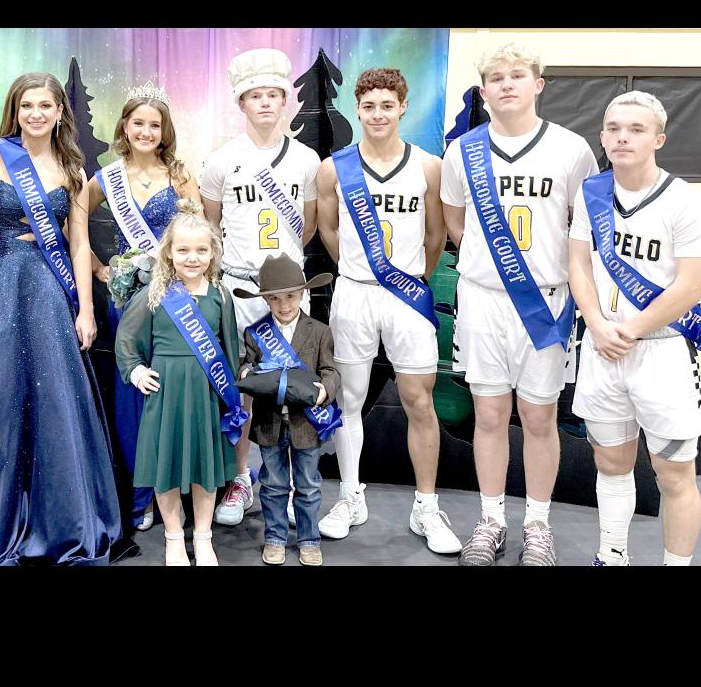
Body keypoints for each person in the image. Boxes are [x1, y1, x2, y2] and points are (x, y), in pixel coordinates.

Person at [0, 71, 121, 565]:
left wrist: (86, 309)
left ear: (60, 111)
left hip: (49, 290)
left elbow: (80, 241)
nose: (36, 114)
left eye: (46, 105)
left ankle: (59, 521)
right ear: (15, 110)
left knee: (55, 403)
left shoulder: (71, 165)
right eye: (28, 106)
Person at [440, 43, 597, 565]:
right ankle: (491, 520)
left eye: (517, 75)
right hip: (484, 299)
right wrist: (491, 267)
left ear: (538, 85)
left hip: (547, 302)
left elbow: (586, 226)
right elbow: (456, 225)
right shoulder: (462, 151)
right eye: (495, 78)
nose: (506, 84)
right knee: (487, 414)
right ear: (483, 92)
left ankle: (537, 524)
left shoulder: (572, 149)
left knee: (538, 416)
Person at [569, 91, 701, 566]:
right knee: (610, 465)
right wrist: (595, 321)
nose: (622, 137)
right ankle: (611, 555)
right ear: (602, 135)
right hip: (600, 345)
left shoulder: (684, 201)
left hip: (660, 351)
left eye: (635, 129)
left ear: (658, 138)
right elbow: (578, 263)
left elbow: (690, 287)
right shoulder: (590, 192)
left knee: (673, 473)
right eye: (613, 128)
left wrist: (628, 329)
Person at [315, 67, 460, 553]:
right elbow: (329, 231)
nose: (377, 114)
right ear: (358, 109)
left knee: (420, 400)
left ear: (403, 107)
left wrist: (407, 276)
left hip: (407, 294)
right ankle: (351, 496)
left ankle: (426, 506)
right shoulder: (335, 168)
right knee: (348, 399)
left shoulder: (429, 166)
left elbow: (435, 236)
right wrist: (360, 273)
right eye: (369, 106)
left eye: (387, 105)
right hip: (354, 293)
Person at [200, 48, 321, 527]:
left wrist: (282, 281)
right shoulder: (221, 161)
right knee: (241, 390)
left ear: (285, 101)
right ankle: (240, 479)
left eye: (274, 95)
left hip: (288, 294)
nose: (266, 104)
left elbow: (308, 227)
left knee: (294, 388)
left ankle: (291, 484)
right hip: (237, 289)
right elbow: (212, 226)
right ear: (241, 103)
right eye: (256, 96)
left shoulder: (308, 160)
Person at [88, 82, 201, 533]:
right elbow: (71, 222)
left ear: (164, 130)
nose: (146, 131)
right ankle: (141, 491)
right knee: (135, 394)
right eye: (139, 123)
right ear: (125, 127)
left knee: (176, 390)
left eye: (155, 125)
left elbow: (200, 234)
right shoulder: (106, 178)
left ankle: (177, 488)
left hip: (176, 300)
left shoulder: (180, 175)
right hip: (128, 302)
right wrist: (100, 269)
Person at [115, 200, 245, 566]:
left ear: (212, 253)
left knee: (206, 468)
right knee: (165, 466)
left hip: (206, 395)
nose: (192, 257)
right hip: (166, 394)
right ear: (169, 253)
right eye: (183, 249)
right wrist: (137, 371)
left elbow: (230, 352)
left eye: (201, 250)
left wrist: (230, 395)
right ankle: (174, 537)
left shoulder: (221, 295)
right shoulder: (154, 295)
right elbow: (127, 339)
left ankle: (203, 537)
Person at [235, 253, 339, 566]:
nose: (284, 305)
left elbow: (331, 370)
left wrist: (326, 390)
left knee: (308, 486)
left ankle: (309, 540)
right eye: (275, 299)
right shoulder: (255, 333)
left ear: (303, 293)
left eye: (291, 296)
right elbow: (247, 367)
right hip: (269, 425)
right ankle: (275, 538)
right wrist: (244, 373)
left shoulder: (319, 331)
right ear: (265, 299)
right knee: (274, 485)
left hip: (307, 425)